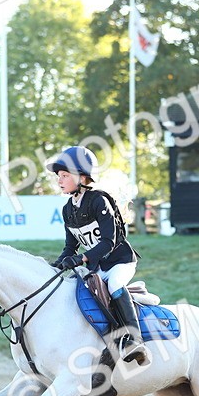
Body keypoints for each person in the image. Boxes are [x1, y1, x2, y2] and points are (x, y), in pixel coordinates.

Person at [46, 145, 149, 366]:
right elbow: (70, 246)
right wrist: (58, 265)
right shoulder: (67, 209)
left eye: (64, 176)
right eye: (59, 176)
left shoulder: (98, 201)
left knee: (114, 285)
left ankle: (135, 340)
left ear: (82, 177)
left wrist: (82, 259)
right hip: (98, 266)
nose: (59, 180)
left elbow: (108, 242)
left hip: (120, 261)